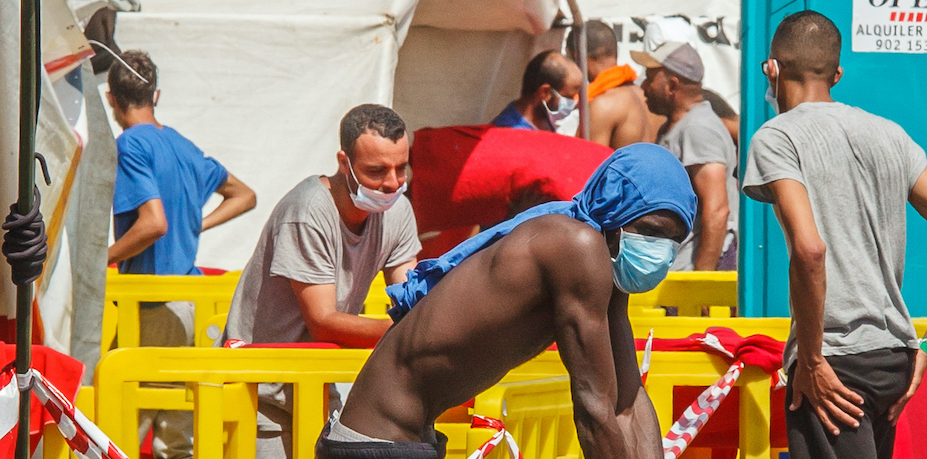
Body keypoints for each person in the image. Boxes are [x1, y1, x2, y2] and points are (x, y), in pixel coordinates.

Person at [316, 143, 697, 459]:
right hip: (376, 441)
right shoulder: (576, 247)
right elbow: (595, 410)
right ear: (616, 213)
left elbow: (628, 400)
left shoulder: (604, 265)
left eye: (673, 241)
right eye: (650, 232)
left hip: (401, 438)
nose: (660, 251)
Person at [742, 10, 927, 459]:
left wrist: (810, 360)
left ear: (771, 68)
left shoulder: (776, 138)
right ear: (837, 74)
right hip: (893, 359)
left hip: (833, 364)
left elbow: (810, 250)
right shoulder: (890, 135)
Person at [218, 104, 422, 459]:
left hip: (321, 389)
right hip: (259, 395)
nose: (391, 183)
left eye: (400, 168)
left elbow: (412, 300)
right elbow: (323, 322)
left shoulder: (397, 210)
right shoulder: (308, 210)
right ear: (344, 163)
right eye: (376, 171)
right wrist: (413, 331)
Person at [106, 50, 256, 459]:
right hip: (193, 302)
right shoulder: (183, 146)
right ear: (156, 95)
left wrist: (102, 257)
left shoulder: (130, 144)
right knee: (177, 439)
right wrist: (198, 224)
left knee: (118, 424)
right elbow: (245, 195)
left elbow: (153, 223)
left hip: (152, 305)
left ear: (111, 98)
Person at [635, 41, 738, 271]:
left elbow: (717, 211)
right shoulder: (676, 128)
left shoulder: (698, 129)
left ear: (672, 86)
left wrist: (702, 283)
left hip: (696, 273)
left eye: (650, 78)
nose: (643, 86)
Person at [566, 20, 654, 148]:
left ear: (578, 57)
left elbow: (589, 164)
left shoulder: (603, 105)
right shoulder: (650, 98)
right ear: (615, 52)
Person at [491, 49, 583, 132]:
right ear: (544, 93)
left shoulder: (543, 121)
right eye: (569, 97)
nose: (576, 103)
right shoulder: (508, 132)